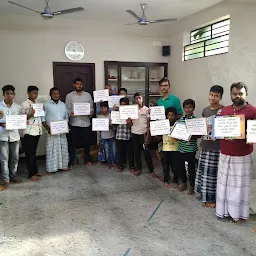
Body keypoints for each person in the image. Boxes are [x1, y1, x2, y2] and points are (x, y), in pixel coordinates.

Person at [216, 82, 256, 224]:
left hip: (242, 155)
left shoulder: (253, 111)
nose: (238, 96)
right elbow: (219, 130)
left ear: (246, 94)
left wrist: (250, 136)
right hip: (225, 153)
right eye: (235, 94)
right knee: (224, 183)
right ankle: (223, 211)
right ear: (231, 95)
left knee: (239, 186)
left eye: (241, 93)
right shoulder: (225, 111)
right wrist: (214, 131)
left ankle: (238, 214)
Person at [194, 85, 224, 208]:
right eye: (211, 95)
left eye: (216, 96)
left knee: (212, 175)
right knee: (204, 173)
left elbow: (225, 129)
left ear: (221, 97)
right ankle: (204, 195)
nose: (213, 98)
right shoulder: (205, 110)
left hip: (216, 147)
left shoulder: (224, 111)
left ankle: (212, 199)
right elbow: (202, 127)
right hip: (205, 145)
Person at [65, 78, 94, 167]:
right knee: (72, 143)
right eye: (77, 84)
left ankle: (87, 160)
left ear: (82, 85)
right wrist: (71, 113)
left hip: (85, 123)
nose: (79, 86)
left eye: (80, 84)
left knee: (86, 142)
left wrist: (91, 112)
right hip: (74, 123)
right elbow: (67, 109)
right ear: (74, 85)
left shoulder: (88, 95)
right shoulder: (69, 96)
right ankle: (72, 161)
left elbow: (91, 108)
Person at [21, 86, 46, 181]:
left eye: (36, 93)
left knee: (33, 153)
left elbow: (40, 117)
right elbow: (21, 120)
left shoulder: (38, 104)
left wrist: (42, 110)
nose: (35, 95)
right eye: (33, 93)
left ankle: (35, 171)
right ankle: (31, 174)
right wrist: (30, 114)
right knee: (30, 153)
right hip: (29, 132)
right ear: (28, 93)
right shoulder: (24, 104)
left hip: (37, 131)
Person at [130, 92, 157, 177]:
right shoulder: (131, 110)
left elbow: (149, 122)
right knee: (136, 152)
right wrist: (128, 121)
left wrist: (148, 135)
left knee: (146, 152)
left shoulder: (146, 109)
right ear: (134, 100)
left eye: (140, 98)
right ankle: (138, 169)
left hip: (143, 133)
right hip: (134, 133)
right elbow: (130, 124)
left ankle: (151, 170)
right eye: (136, 98)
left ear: (142, 99)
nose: (138, 100)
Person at [0, 85, 22, 192]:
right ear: (3, 94)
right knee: (4, 159)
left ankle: (13, 176)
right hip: (2, 136)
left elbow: (20, 121)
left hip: (14, 135)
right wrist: (1, 124)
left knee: (15, 158)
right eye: (7, 94)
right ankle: (6, 179)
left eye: (11, 94)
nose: (9, 96)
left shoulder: (17, 107)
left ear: (14, 95)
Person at [42, 87, 69, 173]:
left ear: (59, 94)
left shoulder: (63, 104)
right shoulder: (46, 104)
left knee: (63, 149)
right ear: (50, 94)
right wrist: (48, 129)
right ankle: (51, 169)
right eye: (54, 93)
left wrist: (65, 127)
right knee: (51, 150)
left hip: (61, 131)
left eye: (57, 93)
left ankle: (63, 166)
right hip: (51, 132)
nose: (56, 95)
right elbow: (43, 119)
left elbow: (66, 118)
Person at [178, 99, 199, 195]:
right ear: (183, 108)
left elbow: (198, 135)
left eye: (190, 107)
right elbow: (177, 132)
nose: (188, 109)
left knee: (191, 169)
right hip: (181, 148)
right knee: (181, 167)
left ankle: (191, 185)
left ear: (193, 108)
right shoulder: (180, 120)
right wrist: (176, 136)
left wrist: (189, 136)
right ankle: (183, 182)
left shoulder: (195, 121)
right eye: (186, 107)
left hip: (191, 149)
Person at [161, 107, 180, 188]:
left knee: (175, 166)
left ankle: (175, 180)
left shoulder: (178, 125)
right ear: (166, 116)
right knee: (165, 165)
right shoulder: (163, 125)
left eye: (172, 115)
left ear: (175, 116)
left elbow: (181, 137)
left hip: (176, 149)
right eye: (168, 115)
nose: (170, 117)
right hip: (165, 149)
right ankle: (166, 180)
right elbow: (158, 136)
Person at [115, 97, 135, 173]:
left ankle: (131, 166)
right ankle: (121, 166)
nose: (123, 106)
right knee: (120, 152)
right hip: (119, 135)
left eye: (125, 104)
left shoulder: (131, 114)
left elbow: (133, 126)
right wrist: (112, 122)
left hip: (128, 136)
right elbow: (114, 125)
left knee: (130, 152)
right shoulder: (116, 113)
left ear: (128, 105)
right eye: (122, 105)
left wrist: (129, 122)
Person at [98, 101, 117, 169]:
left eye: (105, 108)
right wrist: (100, 127)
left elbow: (115, 127)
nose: (103, 109)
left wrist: (111, 126)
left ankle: (114, 162)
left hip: (111, 136)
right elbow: (98, 129)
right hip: (104, 136)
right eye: (102, 108)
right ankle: (108, 163)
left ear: (108, 108)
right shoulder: (99, 117)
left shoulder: (112, 116)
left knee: (114, 150)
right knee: (107, 150)